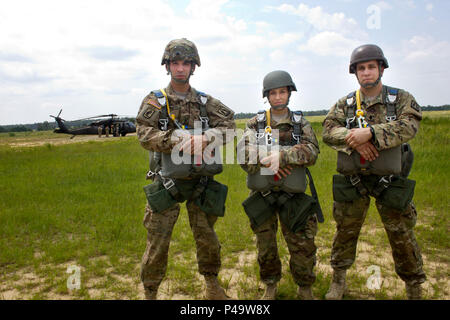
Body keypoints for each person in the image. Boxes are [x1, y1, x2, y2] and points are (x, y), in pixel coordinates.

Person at [322, 44, 426, 300]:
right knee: (345, 232)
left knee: (402, 235)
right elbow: (327, 131)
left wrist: (371, 133)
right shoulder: (345, 104)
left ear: (381, 68)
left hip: (389, 180)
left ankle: (414, 287)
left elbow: (410, 125)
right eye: (361, 68)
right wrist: (353, 138)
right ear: (354, 73)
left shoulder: (400, 98)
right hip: (353, 180)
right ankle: (338, 281)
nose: (366, 72)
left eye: (370, 67)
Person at [136, 38, 235, 300]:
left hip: (200, 182)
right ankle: (150, 292)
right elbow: (144, 133)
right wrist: (174, 141)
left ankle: (212, 286)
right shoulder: (156, 101)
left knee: (207, 238)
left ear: (194, 67)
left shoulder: (205, 102)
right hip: (166, 182)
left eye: (186, 63)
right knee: (157, 242)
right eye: (175, 63)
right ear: (167, 66)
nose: (180, 68)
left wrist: (207, 138)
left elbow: (230, 127)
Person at [238, 70, 322, 300]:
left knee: (303, 245)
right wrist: (268, 158)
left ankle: (305, 287)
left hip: (293, 195)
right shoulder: (255, 123)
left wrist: (283, 157)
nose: (277, 97)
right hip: (262, 195)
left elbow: (313, 151)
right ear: (266, 95)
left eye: (282, 92)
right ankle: (270, 285)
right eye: (273, 93)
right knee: (266, 246)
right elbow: (243, 153)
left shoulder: (299, 123)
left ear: (289, 93)